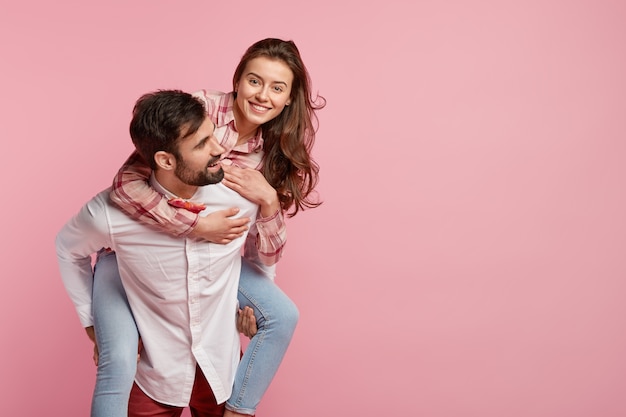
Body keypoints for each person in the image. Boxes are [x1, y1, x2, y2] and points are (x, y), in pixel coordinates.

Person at [91, 38, 325, 417]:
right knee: (118, 359)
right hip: (160, 244)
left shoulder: (279, 149)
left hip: (223, 255)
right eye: (254, 81)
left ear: (289, 99)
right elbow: (125, 184)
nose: (263, 95)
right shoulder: (200, 111)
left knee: (281, 316)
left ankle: (239, 410)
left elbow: (262, 251)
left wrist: (267, 200)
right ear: (238, 79)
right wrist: (194, 225)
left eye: (277, 88)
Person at [57, 89, 285, 416]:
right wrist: (92, 324)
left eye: (212, 135)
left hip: (220, 370)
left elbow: (257, 261)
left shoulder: (239, 196)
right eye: (201, 144)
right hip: (156, 374)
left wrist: (251, 308)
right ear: (165, 160)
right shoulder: (112, 213)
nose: (219, 149)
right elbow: (67, 249)